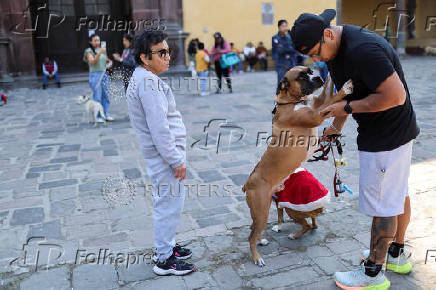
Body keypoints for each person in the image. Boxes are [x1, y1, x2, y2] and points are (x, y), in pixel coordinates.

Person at [290, 9, 419, 289]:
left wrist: (346, 108)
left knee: (384, 203)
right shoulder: (337, 49)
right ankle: (395, 255)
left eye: (315, 52)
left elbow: (396, 96)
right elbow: (348, 89)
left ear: (327, 34)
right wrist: (337, 125)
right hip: (392, 132)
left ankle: (373, 273)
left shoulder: (363, 51)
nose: (316, 59)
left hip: (387, 135)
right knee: (396, 193)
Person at [126, 30, 196, 276]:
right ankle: (164, 260)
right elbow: (159, 129)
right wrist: (176, 159)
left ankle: (165, 247)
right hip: (165, 157)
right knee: (168, 205)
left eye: (169, 51)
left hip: (163, 156)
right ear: (145, 57)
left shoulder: (144, 78)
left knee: (167, 203)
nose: (168, 57)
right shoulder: (148, 83)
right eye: (162, 53)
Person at [83, 34, 114, 122]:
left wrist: (110, 62)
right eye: (95, 40)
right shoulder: (88, 51)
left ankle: (105, 114)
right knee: (97, 96)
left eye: (98, 40)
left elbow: (107, 60)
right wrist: (100, 52)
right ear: (90, 42)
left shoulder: (103, 50)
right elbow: (92, 62)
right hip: (95, 75)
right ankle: (98, 116)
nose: (97, 42)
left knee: (106, 95)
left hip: (104, 74)